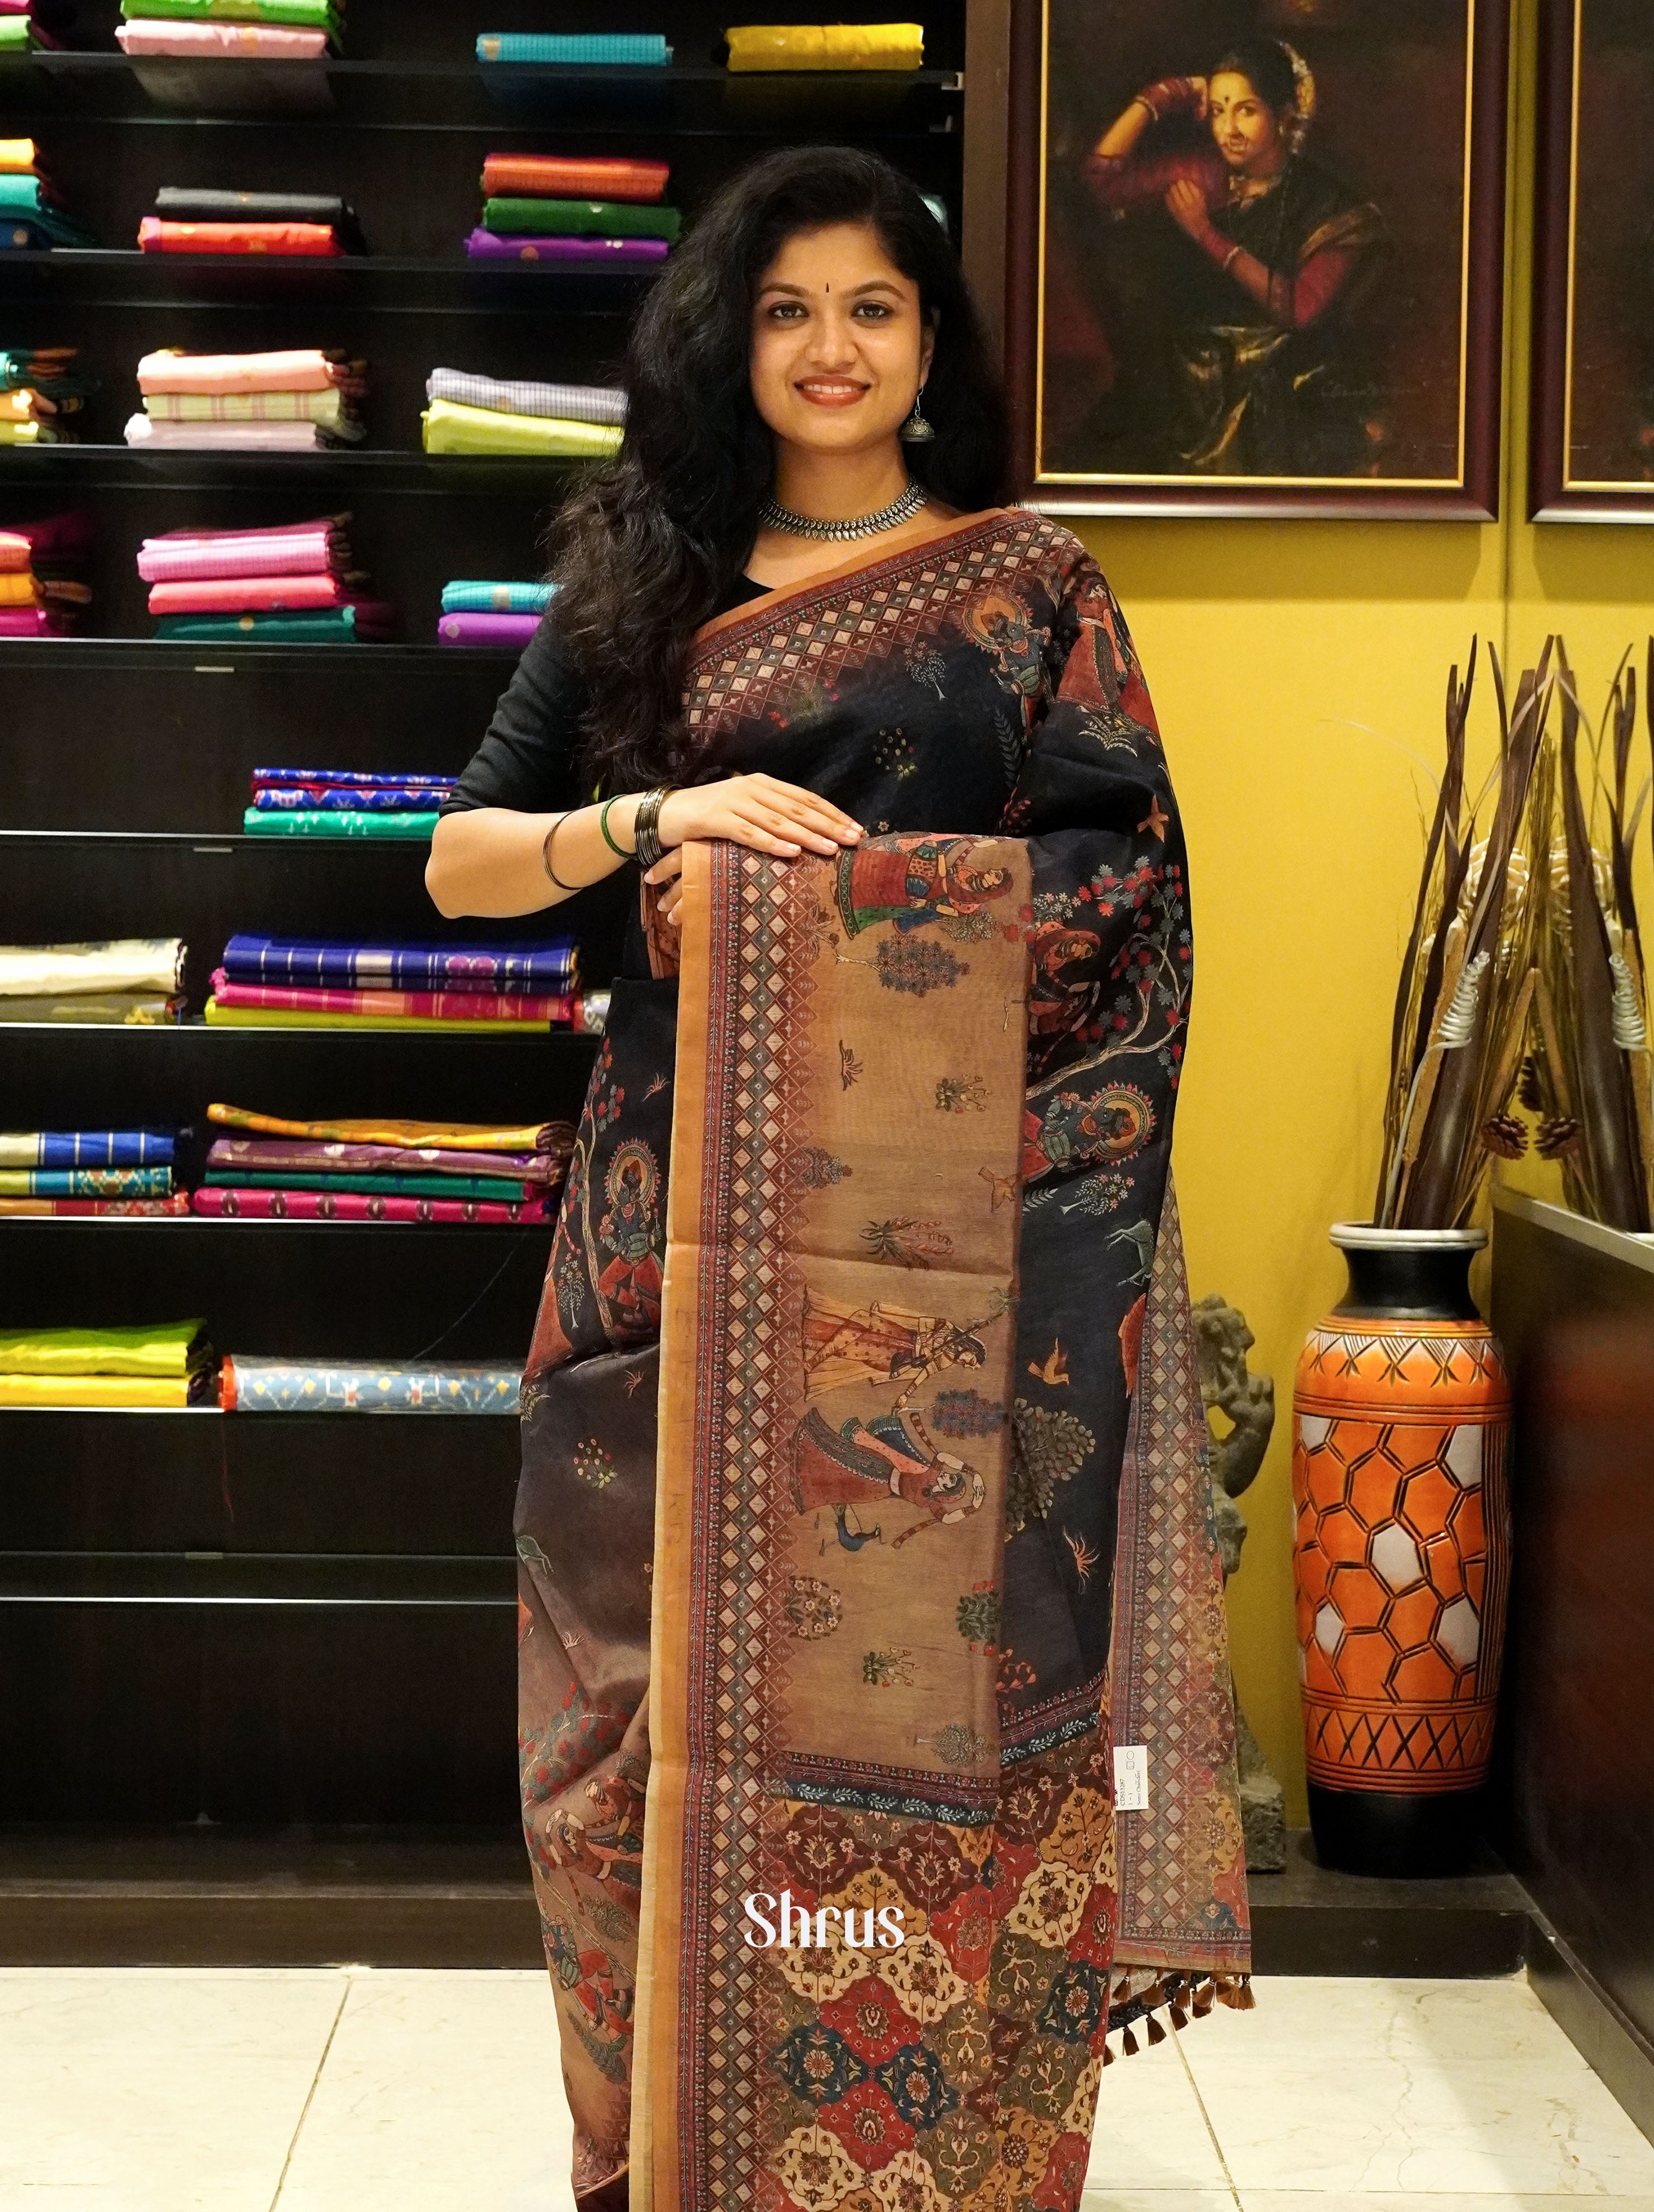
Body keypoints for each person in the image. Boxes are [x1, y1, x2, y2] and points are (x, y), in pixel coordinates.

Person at [427, 145, 1249, 2212]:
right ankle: (660, 2156)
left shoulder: (1030, 585)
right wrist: (661, 821)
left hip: (959, 1261)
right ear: (733, 339)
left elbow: (1124, 899)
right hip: (665, 1249)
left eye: (871, 307)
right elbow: (458, 863)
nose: (828, 348)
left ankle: (937, 2160)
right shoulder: (639, 576)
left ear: (928, 343)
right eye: (786, 309)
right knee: (621, 1728)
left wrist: (851, 915)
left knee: (943, 1716)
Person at [1084, 36, 1386, 475]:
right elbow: (1101, 179)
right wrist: (1163, 95)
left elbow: (1299, 308)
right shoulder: (1206, 175)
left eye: (1246, 111)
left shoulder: (1329, 205)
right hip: (1194, 379)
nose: (1229, 130)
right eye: (1218, 111)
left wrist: (1205, 234)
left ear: (1283, 116)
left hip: (1282, 383)